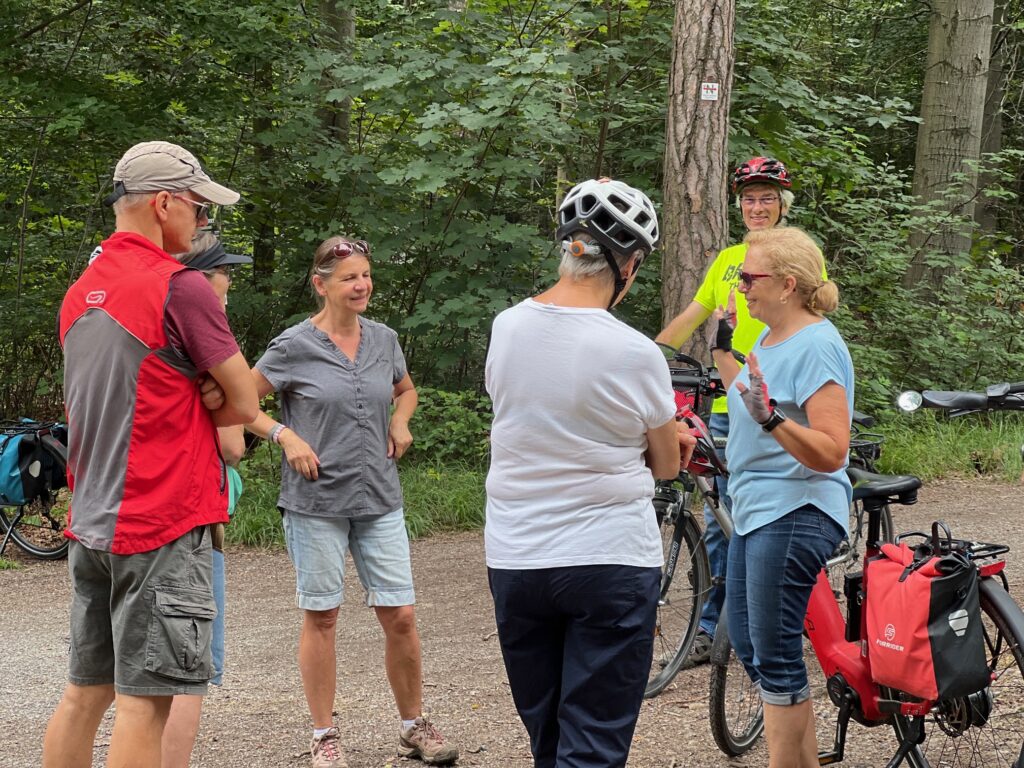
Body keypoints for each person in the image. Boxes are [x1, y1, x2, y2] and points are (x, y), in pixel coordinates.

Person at [44, 141, 259, 768]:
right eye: (197, 206)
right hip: (161, 521)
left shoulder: (81, 291)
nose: (202, 222)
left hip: (93, 523)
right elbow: (245, 402)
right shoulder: (180, 287)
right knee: (147, 702)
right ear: (164, 203)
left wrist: (198, 385)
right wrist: (211, 389)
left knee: (86, 693)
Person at [485, 178, 697, 768]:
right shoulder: (634, 351)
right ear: (628, 264)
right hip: (607, 558)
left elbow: (526, 417)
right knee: (594, 742)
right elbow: (665, 464)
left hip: (517, 556)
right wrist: (667, 437)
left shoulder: (506, 327)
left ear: (568, 247)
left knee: (547, 738)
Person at [246, 236, 458, 768]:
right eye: (348, 278)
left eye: (365, 275)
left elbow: (405, 389)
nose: (361, 285)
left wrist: (401, 419)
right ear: (321, 285)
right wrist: (284, 437)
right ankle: (324, 735)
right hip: (315, 502)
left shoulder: (384, 340)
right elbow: (239, 401)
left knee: (402, 616)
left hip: (379, 496)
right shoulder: (292, 346)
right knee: (322, 616)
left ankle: (414, 726)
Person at [710, 226, 853, 768]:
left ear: (788, 284)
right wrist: (724, 349)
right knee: (752, 645)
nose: (741, 285)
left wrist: (771, 420)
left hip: (796, 509)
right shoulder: (770, 340)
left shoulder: (816, 344)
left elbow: (832, 450)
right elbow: (748, 392)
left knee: (773, 655)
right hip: (757, 510)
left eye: (749, 276)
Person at [655, 156, 799, 667]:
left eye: (767, 198)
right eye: (749, 199)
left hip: (775, 396)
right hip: (722, 401)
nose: (757, 207)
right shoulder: (727, 259)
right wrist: (648, 356)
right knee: (719, 519)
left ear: (783, 204)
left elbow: (812, 314)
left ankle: (775, 612)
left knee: (768, 509)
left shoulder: (797, 253)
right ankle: (715, 626)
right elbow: (692, 316)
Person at [161, 232, 252, 768]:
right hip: (192, 521)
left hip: (124, 516)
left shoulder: (139, 330)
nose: (229, 281)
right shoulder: (201, 340)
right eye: (222, 271)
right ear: (199, 280)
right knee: (188, 675)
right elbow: (234, 446)